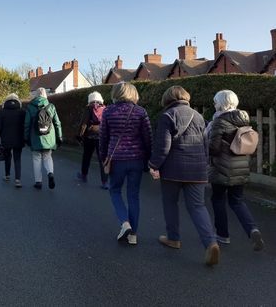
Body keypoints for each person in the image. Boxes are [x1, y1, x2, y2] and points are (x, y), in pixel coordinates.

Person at [148, 85, 220, 266]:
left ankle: (173, 238)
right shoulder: (199, 116)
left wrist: (153, 165)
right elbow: (205, 145)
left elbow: (163, 146)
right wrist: (203, 166)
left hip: (173, 170)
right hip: (197, 170)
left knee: (170, 203)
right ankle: (210, 242)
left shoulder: (167, 116)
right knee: (197, 206)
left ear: (167, 99)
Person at [207, 89, 264, 251]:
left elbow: (214, 148)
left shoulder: (219, 121)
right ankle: (252, 229)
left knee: (217, 200)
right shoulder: (244, 120)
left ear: (221, 103)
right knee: (237, 201)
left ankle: (223, 235)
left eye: (215, 101)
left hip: (221, 168)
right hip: (241, 167)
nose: (214, 104)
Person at [99, 82, 152, 246]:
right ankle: (133, 235)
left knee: (115, 191)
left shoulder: (108, 112)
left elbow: (103, 138)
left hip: (116, 159)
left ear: (116, 93)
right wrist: (148, 159)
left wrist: (103, 158)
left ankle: (125, 222)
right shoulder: (140, 112)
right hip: (136, 159)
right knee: (133, 195)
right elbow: (148, 138)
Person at [24, 87, 62, 190]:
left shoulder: (30, 107)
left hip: (35, 137)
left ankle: (38, 182)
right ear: (45, 95)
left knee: (36, 159)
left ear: (36, 95)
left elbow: (27, 124)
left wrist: (26, 137)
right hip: (49, 137)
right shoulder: (51, 106)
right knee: (47, 157)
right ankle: (50, 173)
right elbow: (57, 123)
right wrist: (59, 136)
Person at [76, 91, 108, 189]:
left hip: (89, 136)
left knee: (87, 156)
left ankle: (84, 175)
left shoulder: (89, 108)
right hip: (101, 136)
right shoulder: (105, 109)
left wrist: (79, 136)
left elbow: (84, 124)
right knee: (102, 159)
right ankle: (105, 182)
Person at [0, 93, 25, 188]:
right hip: (19, 138)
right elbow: (25, 125)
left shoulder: (2, 112)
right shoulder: (22, 112)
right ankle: (18, 180)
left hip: (6, 138)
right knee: (17, 159)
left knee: (7, 157)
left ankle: (7, 175)